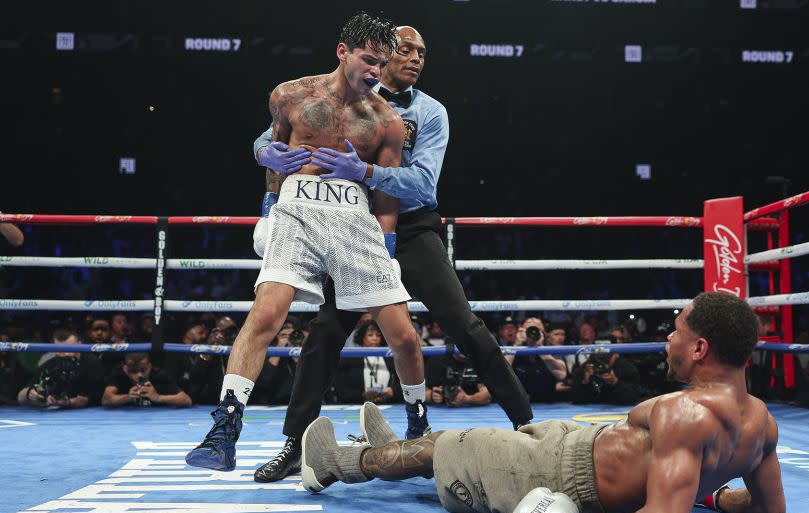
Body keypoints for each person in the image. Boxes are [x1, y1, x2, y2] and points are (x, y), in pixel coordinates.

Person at [251, 23, 532, 482]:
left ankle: (524, 421)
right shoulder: (343, 95)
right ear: (378, 55)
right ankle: (293, 445)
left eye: (423, 52)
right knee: (324, 333)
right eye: (405, 50)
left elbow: (423, 183)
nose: (416, 58)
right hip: (353, 226)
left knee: (464, 324)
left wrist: (363, 170)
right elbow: (270, 136)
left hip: (414, 229)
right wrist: (266, 152)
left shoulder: (431, 113)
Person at [300, 292, 785, 513]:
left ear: (700, 348)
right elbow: (769, 510)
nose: (667, 339)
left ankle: (332, 465)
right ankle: (385, 451)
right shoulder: (761, 421)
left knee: (441, 448)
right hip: (575, 445)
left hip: (563, 477)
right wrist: (710, 493)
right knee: (468, 441)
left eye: (677, 330)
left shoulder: (687, 414)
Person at [186, 12, 426, 472]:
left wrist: (388, 244)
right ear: (343, 52)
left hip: (354, 216)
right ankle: (225, 429)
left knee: (405, 337)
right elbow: (274, 156)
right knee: (266, 314)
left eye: (381, 63)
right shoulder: (289, 95)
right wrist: (266, 204)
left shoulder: (387, 122)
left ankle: (418, 426)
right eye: (368, 60)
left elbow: (387, 194)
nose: (375, 72)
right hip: (297, 207)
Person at [17, 328, 100, 409]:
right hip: (54, 414)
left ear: (79, 344)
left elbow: (86, 399)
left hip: (89, 413)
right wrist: (29, 394)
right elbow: (20, 397)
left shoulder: (91, 364)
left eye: (70, 349)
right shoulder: (49, 365)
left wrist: (67, 402)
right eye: (61, 350)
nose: (66, 354)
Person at [102, 353, 192, 408]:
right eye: (134, 371)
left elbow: (186, 400)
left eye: (143, 370)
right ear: (125, 369)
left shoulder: (159, 375)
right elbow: (106, 400)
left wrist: (158, 397)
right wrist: (128, 397)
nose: (139, 375)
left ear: (149, 367)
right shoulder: (119, 374)